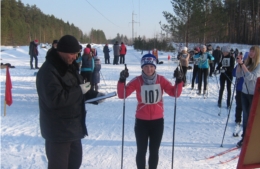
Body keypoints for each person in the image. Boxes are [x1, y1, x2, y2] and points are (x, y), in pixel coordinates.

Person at [36, 35, 102, 169]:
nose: (75, 57)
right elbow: (55, 100)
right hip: (58, 133)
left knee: (74, 164)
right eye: (72, 54)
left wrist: (95, 96)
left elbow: (78, 90)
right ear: (62, 51)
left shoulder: (70, 66)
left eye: (77, 54)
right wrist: (80, 90)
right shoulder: (48, 71)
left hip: (73, 129)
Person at [117, 54, 183, 169]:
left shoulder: (161, 80)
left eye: (151, 66)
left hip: (157, 122)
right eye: (146, 66)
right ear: (142, 67)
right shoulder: (137, 80)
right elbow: (122, 94)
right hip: (141, 122)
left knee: (154, 151)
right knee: (141, 151)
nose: (149, 69)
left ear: (155, 67)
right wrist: (122, 80)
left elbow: (175, 93)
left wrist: (179, 80)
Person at [235, 45, 260, 148]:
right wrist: (239, 64)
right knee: (246, 116)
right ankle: (245, 138)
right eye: (250, 51)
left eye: (253, 51)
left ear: (257, 53)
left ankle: (254, 138)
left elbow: (251, 77)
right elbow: (238, 75)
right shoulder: (247, 63)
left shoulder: (259, 66)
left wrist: (243, 65)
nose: (251, 53)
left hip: (253, 93)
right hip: (244, 92)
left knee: (253, 116)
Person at [232, 52, 245, 135]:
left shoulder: (248, 66)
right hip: (239, 88)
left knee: (247, 107)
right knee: (239, 105)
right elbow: (234, 74)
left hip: (248, 89)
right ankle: (238, 120)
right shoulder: (238, 66)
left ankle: (246, 120)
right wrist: (238, 65)